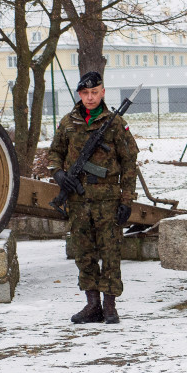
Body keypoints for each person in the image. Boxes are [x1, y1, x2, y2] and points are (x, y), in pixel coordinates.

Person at [47, 70, 137, 324]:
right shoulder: (68, 123)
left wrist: (126, 200)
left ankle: (109, 306)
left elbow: (129, 163)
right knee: (83, 253)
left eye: (94, 92)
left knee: (110, 253)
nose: (90, 98)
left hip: (108, 201)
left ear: (103, 92)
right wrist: (59, 174)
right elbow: (54, 153)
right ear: (79, 94)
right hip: (77, 201)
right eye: (85, 93)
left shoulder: (116, 124)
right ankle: (92, 304)